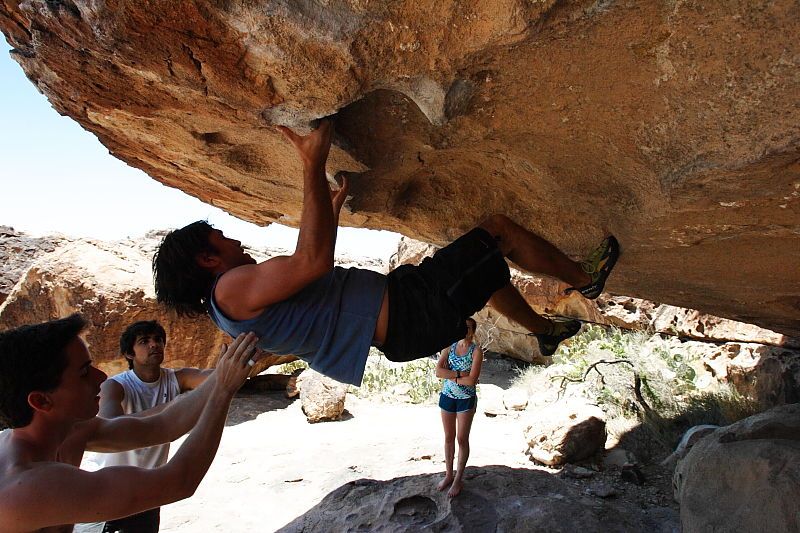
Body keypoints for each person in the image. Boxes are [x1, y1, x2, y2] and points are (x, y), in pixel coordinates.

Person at [153, 119, 619, 387]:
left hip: (404, 325)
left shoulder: (228, 314)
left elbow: (314, 286)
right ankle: (584, 276)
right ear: (206, 260)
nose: (233, 240)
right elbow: (311, 263)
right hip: (410, 309)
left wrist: (329, 214)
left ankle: (544, 332)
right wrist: (311, 164)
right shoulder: (231, 289)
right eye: (220, 238)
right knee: (495, 231)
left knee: (486, 276)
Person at [0, 314, 259, 533]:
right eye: (84, 372)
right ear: (41, 401)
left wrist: (226, 372)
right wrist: (223, 390)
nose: (101, 377)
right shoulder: (26, 486)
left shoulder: (68, 432)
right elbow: (179, 481)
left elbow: (162, 426)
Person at [87, 320, 213, 533]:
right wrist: (174, 408)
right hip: (112, 490)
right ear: (129, 354)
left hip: (149, 490)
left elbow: (214, 379)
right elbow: (110, 425)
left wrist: (240, 360)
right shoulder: (116, 385)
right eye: (144, 341)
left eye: (158, 340)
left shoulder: (175, 378)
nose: (154, 345)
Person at [435, 317, 483, 498]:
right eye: (463, 327)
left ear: (473, 331)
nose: (466, 330)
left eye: (469, 328)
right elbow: (438, 371)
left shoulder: (476, 351)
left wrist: (452, 376)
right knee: (449, 437)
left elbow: (472, 381)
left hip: (465, 399)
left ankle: (458, 479)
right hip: (447, 396)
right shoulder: (450, 346)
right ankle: (448, 474)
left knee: (462, 439)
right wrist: (459, 374)